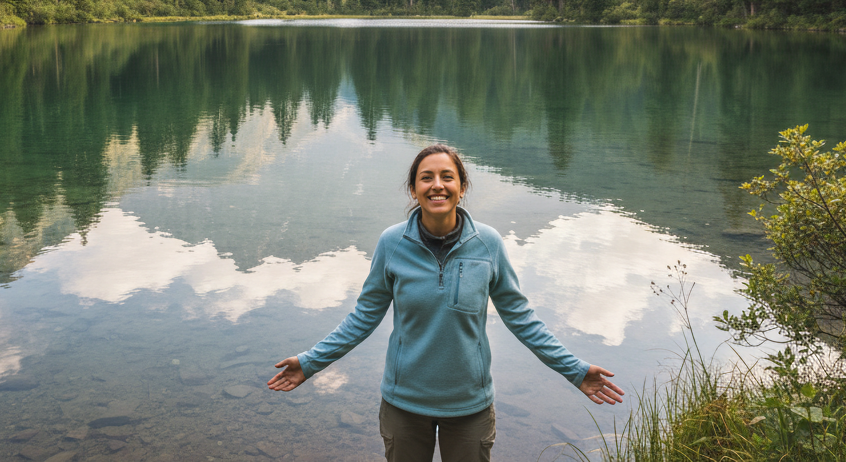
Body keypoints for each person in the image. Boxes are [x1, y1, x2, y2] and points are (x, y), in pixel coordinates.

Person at [267, 144, 623, 462]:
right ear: (413, 189)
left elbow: (522, 320)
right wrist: (310, 363)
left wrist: (573, 369)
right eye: (426, 178)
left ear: (462, 187)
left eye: (447, 177)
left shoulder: (489, 245)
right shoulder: (392, 243)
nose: (437, 184)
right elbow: (363, 317)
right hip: (404, 404)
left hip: (470, 406)